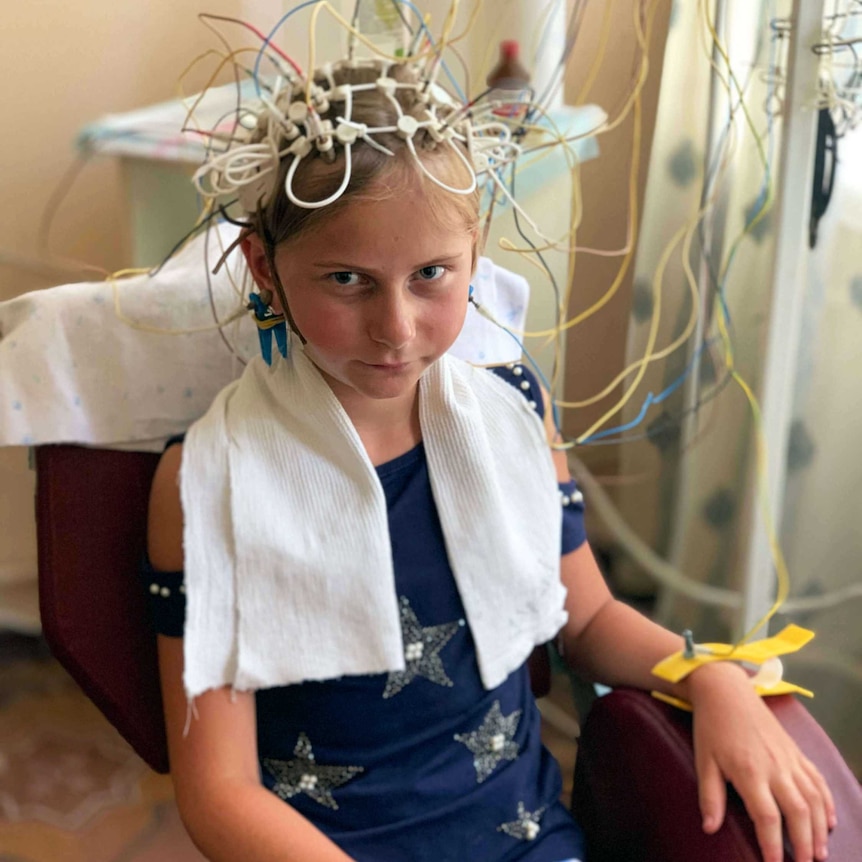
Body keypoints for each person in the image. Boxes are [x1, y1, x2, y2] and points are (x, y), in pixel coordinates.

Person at [144, 58, 835, 862]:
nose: (396, 328)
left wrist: (711, 677)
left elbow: (591, 620)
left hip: (529, 840)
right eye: (347, 280)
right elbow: (217, 792)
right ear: (265, 267)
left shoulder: (515, 412)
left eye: (431, 275)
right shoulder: (207, 483)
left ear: (474, 252)